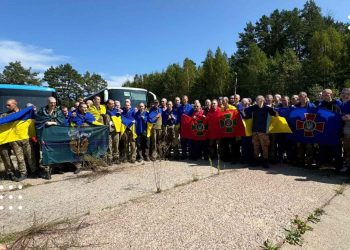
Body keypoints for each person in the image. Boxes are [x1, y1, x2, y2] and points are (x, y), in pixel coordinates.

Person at [3, 99, 37, 181]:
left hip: (26, 138)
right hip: (14, 140)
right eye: (7, 105)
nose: (7, 107)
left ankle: (34, 172)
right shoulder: (6, 115)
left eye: (9, 105)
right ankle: (23, 173)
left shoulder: (25, 112)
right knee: (19, 158)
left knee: (30, 156)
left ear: (15, 104)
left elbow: (35, 118)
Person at [243, 95, 277, 168]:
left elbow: (276, 115)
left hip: (264, 132)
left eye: (260, 99)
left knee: (265, 147)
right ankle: (256, 161)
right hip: (255, 131)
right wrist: (245, 109)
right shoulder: (253, 107)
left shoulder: (267, 108)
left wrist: (275, 109)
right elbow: (245, 112)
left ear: (263, 100)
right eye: (257, 99)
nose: (258, 101)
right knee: (256, 147)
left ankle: (265, 161)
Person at [318, 89, 345, 172]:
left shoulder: (338, 104)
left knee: (336, 150)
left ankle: (338, 167)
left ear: (331, 95)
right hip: (324, 131)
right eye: (324, 94)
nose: (325, 96)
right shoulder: (320, 105)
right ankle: (325, 165)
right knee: (323, 149)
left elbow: (342, 117)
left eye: (327, 94)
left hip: (335, 132)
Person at [294, 92, 316, 168]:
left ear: (306, 97)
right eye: (299, 96)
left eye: (302, 96)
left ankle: (309, 163)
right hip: (299, 129)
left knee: (309, 146)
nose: (300, 98)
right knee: (300, 145)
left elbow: (316, 116)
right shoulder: (296, 107)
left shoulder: (312, 106)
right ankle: (301, 161)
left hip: (309, 128)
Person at [105, 99, 122, 165]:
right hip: (108, 131)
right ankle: (110, 159)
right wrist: (111, 123)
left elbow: (119, 119)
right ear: (108, 104)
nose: (113, 105)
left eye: (113, 104)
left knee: (116, 144)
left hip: (116, 130)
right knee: (109, 145)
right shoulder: (106, 111)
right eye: (111, 104)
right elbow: (106, 121)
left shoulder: (117, 111)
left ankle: (116, 158)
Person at [178, 95, 193, 160]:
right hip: (182, 127)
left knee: (189, 142)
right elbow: (178, 117)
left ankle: (190, 155)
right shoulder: (180, 107)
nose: (184, 100)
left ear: (187, 99)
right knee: (183, 141)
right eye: (183, 99)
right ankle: (184, 155)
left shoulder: (191, 107)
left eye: (185, 99)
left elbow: (193, 116)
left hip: (189, 126)